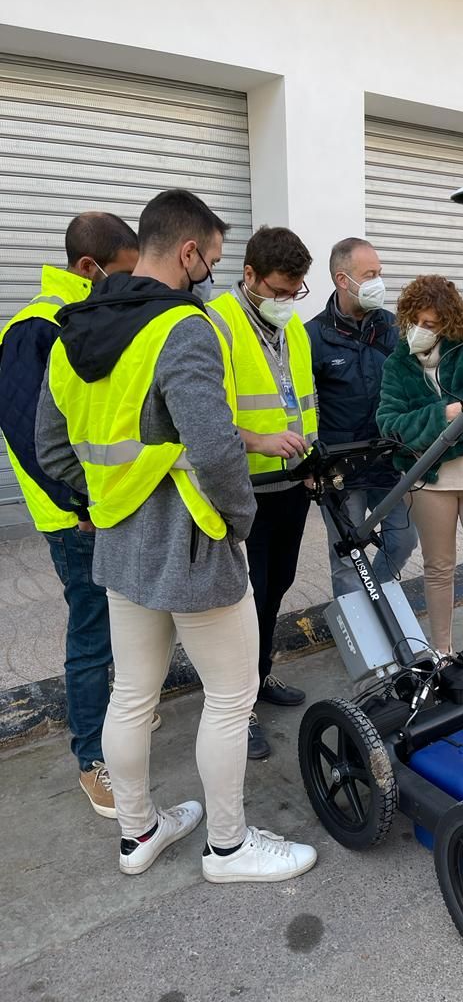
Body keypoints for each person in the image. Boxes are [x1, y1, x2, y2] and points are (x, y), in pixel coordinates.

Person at [36, 190, 316, 882]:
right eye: (213, 260)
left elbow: (51, 450)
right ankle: (228, 847)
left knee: (132, 693)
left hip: (121, 546)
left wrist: (105, 501)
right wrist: (237, 522)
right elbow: (218, 451)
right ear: (189, 252)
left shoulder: (74, 327)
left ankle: (139, 834)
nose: (210, 274)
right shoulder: (181, 328)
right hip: (193, 543)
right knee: (230, 695)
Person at [0, 212, 143, 819]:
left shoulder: (86, 319)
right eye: (123, 274)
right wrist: (79, 504)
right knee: (91, 635)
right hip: (77, 519)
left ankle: (119, 721)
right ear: (89, 268)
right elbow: (30, 435)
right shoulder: (34, 328)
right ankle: (91, 759)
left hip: (111, 505)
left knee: (121, 625)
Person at [206, 225, 316, 761]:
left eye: (295, 290)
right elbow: (203, 421)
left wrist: (311, 462)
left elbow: (302, 402)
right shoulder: (215, 324)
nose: (287, 300)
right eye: (277, 290)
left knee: (275, 588)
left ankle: (261, 676)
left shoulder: (293, 327)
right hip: (243, 488)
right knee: (243, 602)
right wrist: (260, 440)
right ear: (248, 275)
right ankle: (239, 706)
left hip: (292, 484)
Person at [377, 274, 463, 656]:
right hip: (428, 483)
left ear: (449, 323)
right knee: (437, 571)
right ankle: (441, 655)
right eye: (414, 322)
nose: (420, 330)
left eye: (431, 324)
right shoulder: (397, 365)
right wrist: (447, 415)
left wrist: (431, 445)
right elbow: (390, 426)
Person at [306, 238, 418, 599]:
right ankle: (357, 628)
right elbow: (304, 406)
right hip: (342, 470)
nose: (378, 282)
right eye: (369, 274)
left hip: (388, 462)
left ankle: (378, 599)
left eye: (379, 273)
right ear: (343, 279)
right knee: (346, 558)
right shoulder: (313, 336)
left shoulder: (394, 328)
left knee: (402, 540)